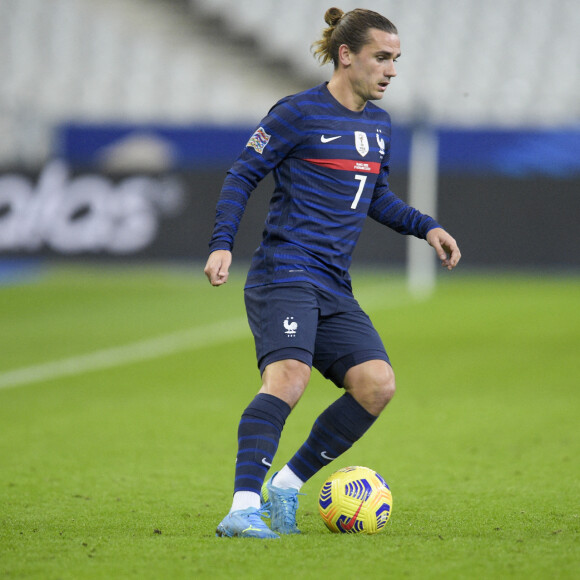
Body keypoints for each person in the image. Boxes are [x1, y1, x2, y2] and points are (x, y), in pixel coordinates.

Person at [205, 6, 460, 539]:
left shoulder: (380, 124)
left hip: (333, 284)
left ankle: (287, 485)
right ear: (347, 56)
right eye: (382, 58)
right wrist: (223, 244)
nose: (391, 70)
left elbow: (377, 197)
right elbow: (241, 175)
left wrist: (426, 227)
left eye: (396, 60)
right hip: (285, 272)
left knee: (376, 385)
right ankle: (242, 506)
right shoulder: (297, 113)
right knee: (288, 379)